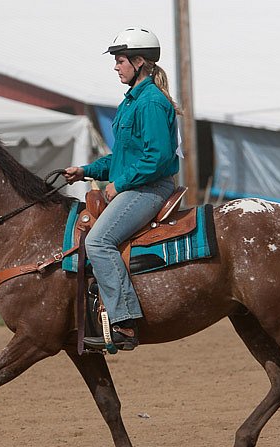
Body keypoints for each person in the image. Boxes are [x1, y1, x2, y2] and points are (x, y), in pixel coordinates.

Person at [64, 27, 179, 351]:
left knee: (99, 241)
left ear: (139, 61)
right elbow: (124, 157)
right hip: (138, 184)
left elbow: (157, 156)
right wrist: (86, 171)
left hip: (149, 188)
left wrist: (120, 185)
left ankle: (124, 322)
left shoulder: (151, 103)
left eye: (120, 60)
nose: (116, 66)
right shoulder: (131, 102)